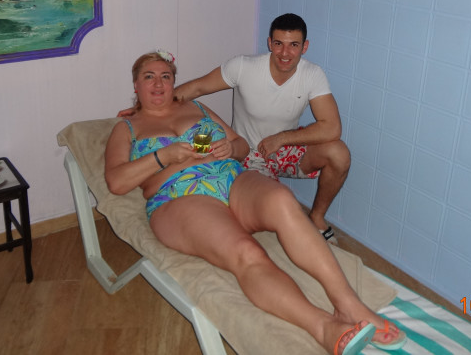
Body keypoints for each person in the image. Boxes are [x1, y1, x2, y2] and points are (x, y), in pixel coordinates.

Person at [105, 51, 406, 355]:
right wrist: (164, 156)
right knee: (246, 252)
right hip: (179, 196)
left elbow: (241, 145)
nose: (158, 83)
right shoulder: (127, 128)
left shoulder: (196, 107)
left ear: (173, 82)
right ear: (136, 85)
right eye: (149, 77)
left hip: (230, 178)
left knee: (282, 200)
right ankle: (324, 327)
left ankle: (349, 305)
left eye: (165, 76)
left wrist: (229, 147)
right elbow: (116, 182)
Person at [120, 13, 350, 243]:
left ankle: (316, 218)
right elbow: (198, 88)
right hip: (247, 153)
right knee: (270, 206)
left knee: (338, 154)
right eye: (279, 44)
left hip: (284, 148)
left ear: (305, 47)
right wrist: (149, 107)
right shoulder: (243, 66)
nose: (285, 53)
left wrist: (281, 139)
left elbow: (332, 128)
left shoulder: (312, 74)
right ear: (270, 43)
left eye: (294, 45)